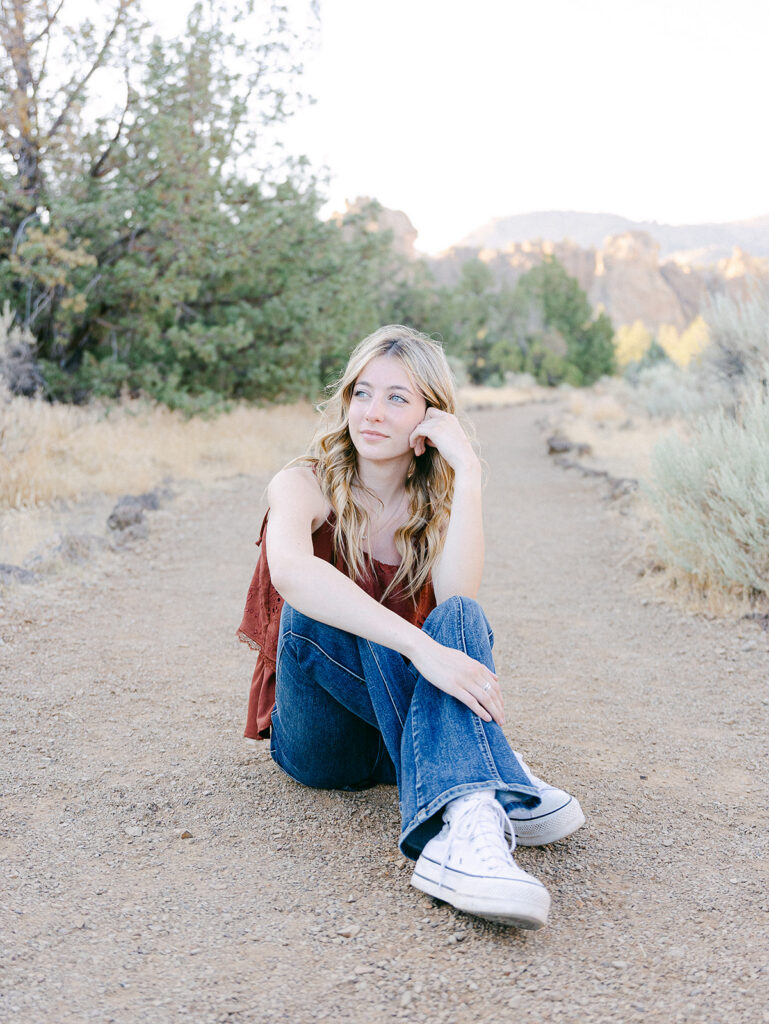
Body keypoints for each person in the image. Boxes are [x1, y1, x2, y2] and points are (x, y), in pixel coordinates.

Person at [237, 324, 584, 929]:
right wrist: (420, 649)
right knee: (314, 608)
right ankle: (490, 772)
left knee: (461, 616)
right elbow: (292, 574)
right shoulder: (303, 483)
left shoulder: (434, 510)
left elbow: (456, 607)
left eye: (398, 398)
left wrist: (469, 473)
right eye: (362, 393)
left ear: (430, 418)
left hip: (398, 741)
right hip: (322, 744)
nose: (372, 412)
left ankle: (465, 823)